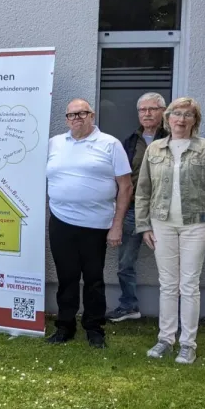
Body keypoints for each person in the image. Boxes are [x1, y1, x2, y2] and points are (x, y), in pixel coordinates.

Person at [135, 97, 205, 364]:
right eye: (176, 114)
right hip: (162, 224)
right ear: (167, 118)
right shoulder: (155, 149)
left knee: (189, 285)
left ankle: (187, 343)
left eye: (188, 115)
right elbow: (143, 191)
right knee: (167, 285)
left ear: (195, 120)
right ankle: (165, 339)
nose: (181, 119)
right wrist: (144, 225)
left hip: (195, 224)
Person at [45, 98, 132, 349]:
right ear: (66, 119)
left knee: (94, 279)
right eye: (71, 115)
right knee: (66, 277)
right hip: (61, 220)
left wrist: (116, 225)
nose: (76, 119)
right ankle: (65, 326)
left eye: (82, 114)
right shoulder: (55, 143)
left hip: (96, 223)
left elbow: (125, 187)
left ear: (92, 116)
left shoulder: (109, 144)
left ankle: (94, 328)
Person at [107, 93, 169, 322]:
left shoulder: (175, 139)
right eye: (142, 110)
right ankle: (129, 306)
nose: (147, 113)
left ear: (164, 111)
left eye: (152, 109)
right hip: (134, 210)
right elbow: (121, 178)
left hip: (166, 212)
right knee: (125, 263)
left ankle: (174, 311)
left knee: (172, 263)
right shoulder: (131, 141)